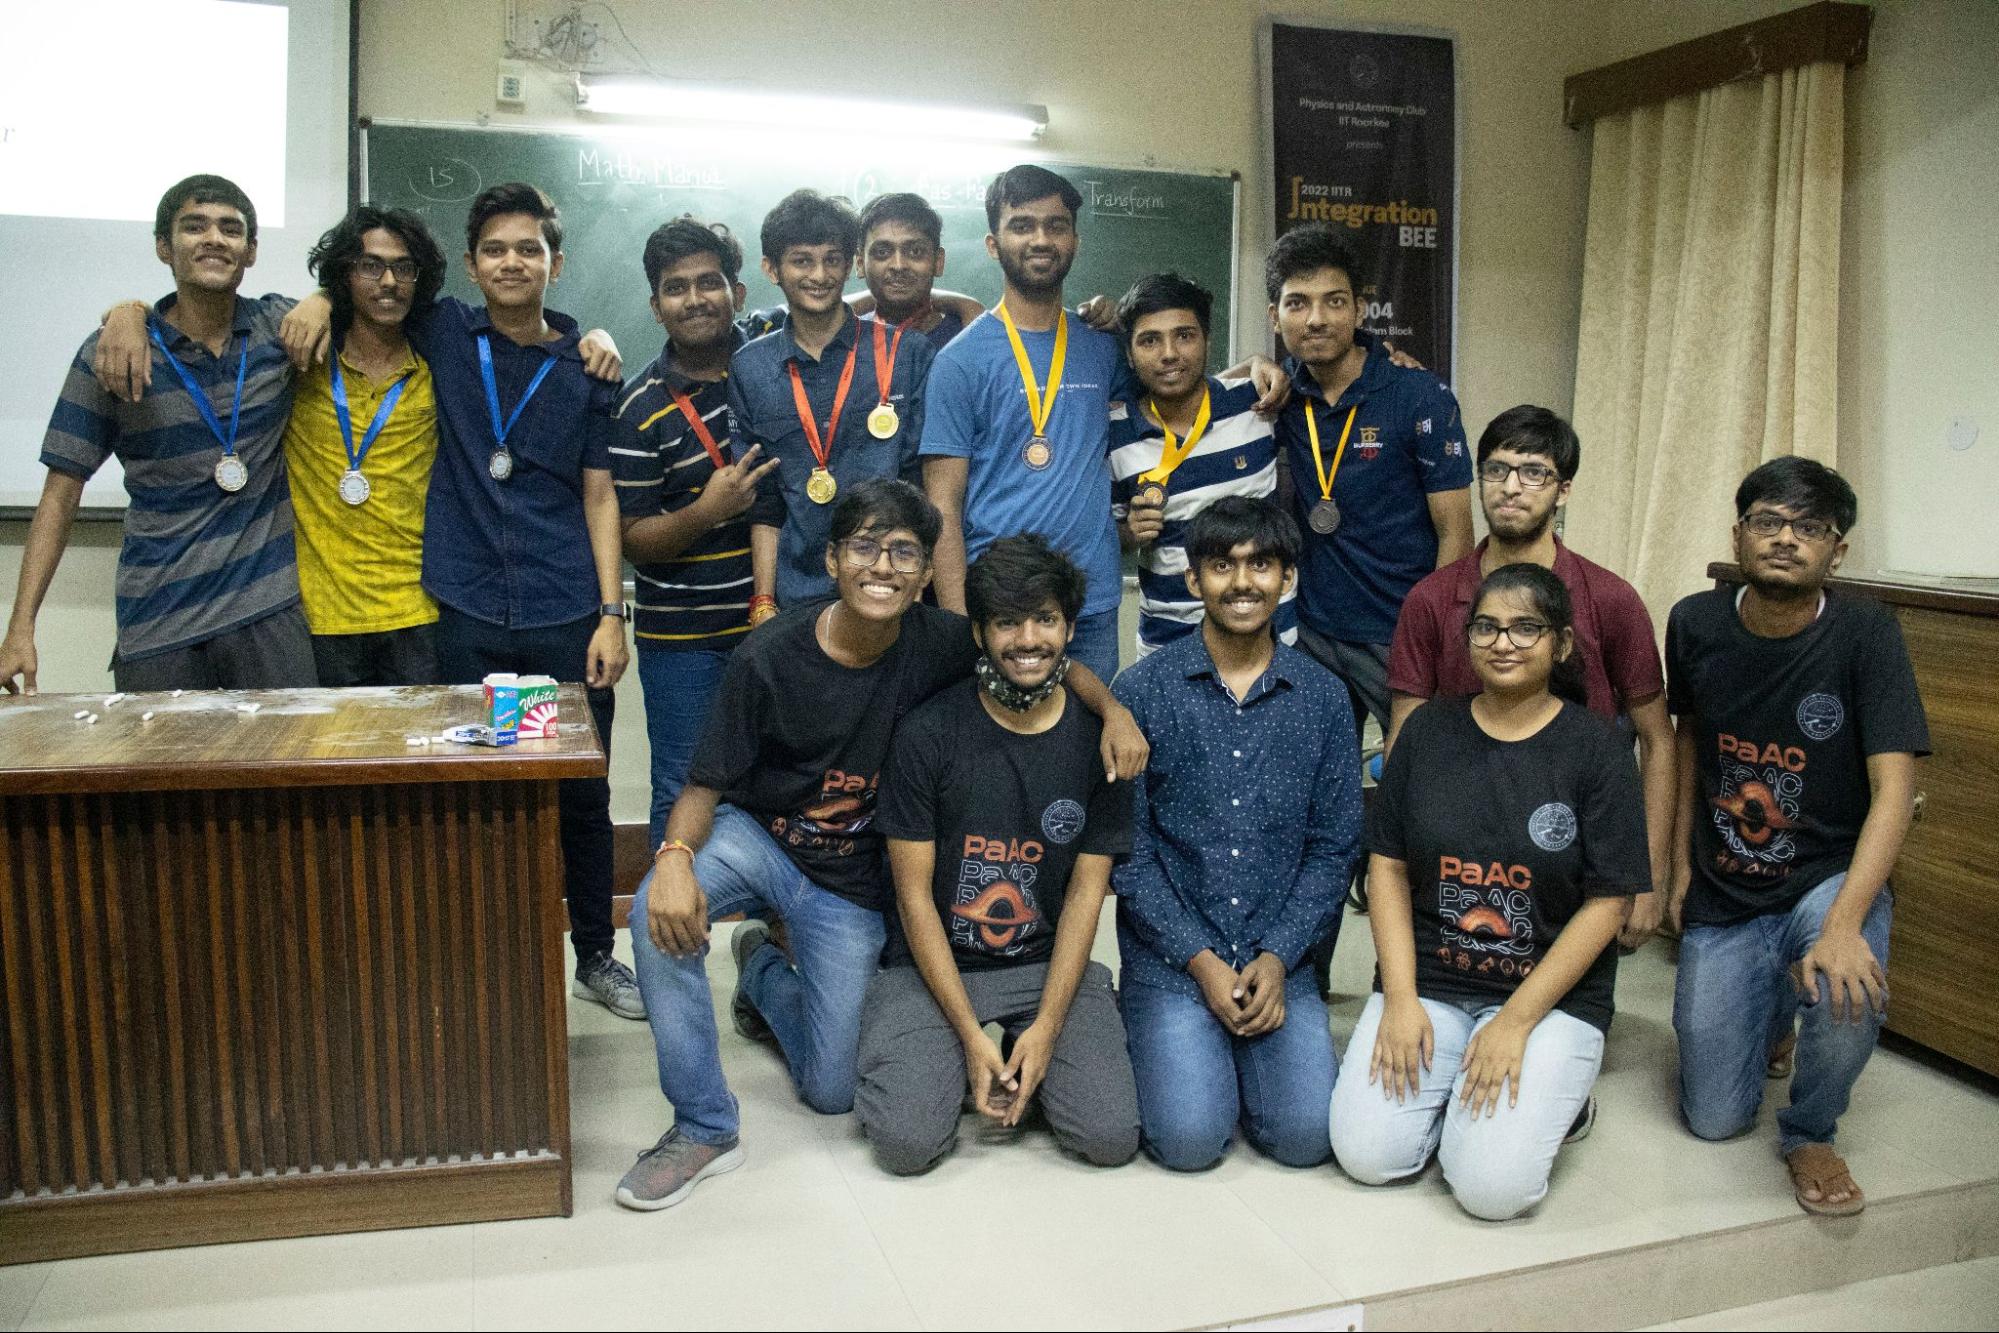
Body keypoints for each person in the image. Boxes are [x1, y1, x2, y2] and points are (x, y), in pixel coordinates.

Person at [617, 479, 1146, 1211]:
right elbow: (704, 785)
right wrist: (674, 859)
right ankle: (703, 1125)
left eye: (904, 552)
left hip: (849, 882)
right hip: (762, 839)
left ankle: (763, 973)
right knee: (653, 910)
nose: (883, 567)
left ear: (926, 573)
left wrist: (1113, 709)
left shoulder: (943, 641)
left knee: (835, 1090)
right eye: (865, 547)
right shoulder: (769, 656)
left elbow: (1040, 652)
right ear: (832, 559)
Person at [277, 182, 639, 1018]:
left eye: (529, 250)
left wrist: (610, 614)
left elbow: (600, 494)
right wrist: (317, 296)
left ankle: (594, 952)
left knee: (578, 794)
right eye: (495, 250)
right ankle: (488, 956)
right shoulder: (442, 331)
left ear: (555, 263)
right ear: (472, 266)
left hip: (562, 614)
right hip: (468, 614)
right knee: (478, 795)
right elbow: (360, 294)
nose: (512, 263)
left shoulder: (586, 366)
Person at [1331, 563, 1648, 1220]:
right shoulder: (1425, 731)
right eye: (1487, 627)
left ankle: (1561, 1099)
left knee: (1490, 1191)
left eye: (1525, 628)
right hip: (1433, 980)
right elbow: (1387, 866)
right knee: (1367, 1155)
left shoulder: (1597, 747)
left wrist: (1515, 1021)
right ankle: (1468, 1094)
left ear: (1561, 643)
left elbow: (1608, 901)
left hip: (1546, 998)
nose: (1503, 642)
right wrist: (1398, 998)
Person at [1666, 458, 1927, 1217]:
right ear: (1737, 535)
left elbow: (1895, 791)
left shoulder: (1866, 634)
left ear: (1835, 551)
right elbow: (1687, 743)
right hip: (1727, 880)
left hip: (1824, 875)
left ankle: (1811, 1128)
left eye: (1807, 527)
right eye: (1768, 521)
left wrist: (1844, 924)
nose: (1785, 538)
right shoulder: (1693, 622)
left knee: (1850, 980)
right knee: (1713, 1118)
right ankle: (1776, 1008)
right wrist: (1678, 868)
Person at [856, 535, 1140, 1175]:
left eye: (1045, 619)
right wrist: (966, 1036)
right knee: (906, 1145)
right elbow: (912, 898)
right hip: (933, 966)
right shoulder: (928, 733)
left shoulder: (1102, 744)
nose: (1028, 640)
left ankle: (1019, 1045)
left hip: (1042, 965)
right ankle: (943, 1046)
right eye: (1008, 623)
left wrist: (1046, 1029)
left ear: (1070, 628)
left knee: (1109, 1137)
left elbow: (1085, 896)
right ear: (979, 634)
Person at [1113, 497, 1359, 1171]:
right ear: (1193, 579)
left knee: (1306, 1138)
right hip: (1173, 961)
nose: (1242, 582)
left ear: (1288, 578)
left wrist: (1277, 957)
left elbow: (1333, 848)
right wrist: (1200, 960)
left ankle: (1238, 1060)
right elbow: (1129, 854)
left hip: (1280, 958)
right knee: (1189, 1141)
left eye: (1261, 565)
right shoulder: (1142, 692)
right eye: (1222, 566)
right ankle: (1172, 1040)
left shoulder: (1323, 698)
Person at [3, 174, 315, 694]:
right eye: (194, 227)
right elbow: (60, 494)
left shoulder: (278, 330)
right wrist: (20, 628)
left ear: (251, 251)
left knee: (289, 750)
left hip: (267, 614)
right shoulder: (111, 352)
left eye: (231, 228)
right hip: (159, 620)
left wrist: (324, 297)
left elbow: (364, 303)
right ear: (163, 247)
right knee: (159, 752)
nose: (214, 239)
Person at [1387, 405, 1671, 947]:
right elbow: (1406, 731)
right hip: (1457, 842)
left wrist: (1649, 876)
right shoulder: (1432, 598)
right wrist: (1393, 862)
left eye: (1533, 472)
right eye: (1496, 470)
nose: (1511, 487)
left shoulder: (1610, 599)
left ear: (1563, 490)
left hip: (1572, 845)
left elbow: (1658, 740)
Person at [1268, 223, 1473, 739]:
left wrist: (1433, 637)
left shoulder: (1420, 396)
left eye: (1334, 301)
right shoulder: (1278, 397)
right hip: (1311, 632)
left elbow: (1456, 533)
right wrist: (1251, 364)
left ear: (1360, 310)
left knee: (1415, 774)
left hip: (1400, 632)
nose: (1316, 319)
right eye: (1297, 304)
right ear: (1275, 316)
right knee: (1309, 778)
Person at [612, 217, 779, 842]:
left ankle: (764, 912)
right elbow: (633, 540)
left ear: (738, 292)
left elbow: (844, 301)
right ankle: (672, 907)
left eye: (709, 282)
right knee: (683, 787)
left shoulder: (775, 350)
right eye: (676, 288)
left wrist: (957, 303)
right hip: (686, 641)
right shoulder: (638, 407)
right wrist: (707, 512)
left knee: (783, 787)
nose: (695, 299)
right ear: (656, 307)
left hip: (784, 625)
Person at [729, 190, 935, 619]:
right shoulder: (750, 367)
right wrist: (764, 601)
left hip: (888, 587)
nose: (819, 275)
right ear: (771, 268)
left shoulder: (906, 354)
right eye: (802, 261)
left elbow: (921, 484)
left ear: (850, 263)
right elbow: (765, 500)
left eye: (832, 259)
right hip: (797, 598)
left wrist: (913, 588)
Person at [283, 206, 449, 686]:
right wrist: (130, 310)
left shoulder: (437, 367)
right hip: (322, 616)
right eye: (370, 266)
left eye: (403, 267)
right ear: (345, 274)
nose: (389, 281)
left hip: (418, 613)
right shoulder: (302, 359)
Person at [1107, 273, 1297, 657]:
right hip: (1169, 646)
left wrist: (1386, 353)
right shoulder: (1113, 434)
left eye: (1184, 335)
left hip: (1269, 643)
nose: (1169, 354)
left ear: (1207, 340)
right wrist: (1129, 532)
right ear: (1129, 354)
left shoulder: (1258, 402)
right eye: (1149, 340)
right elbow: (1107, 537)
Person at [744, 193, 985, 352]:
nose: (898, 265)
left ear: (938, 261)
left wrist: (969, 307)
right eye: (882, 252)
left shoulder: (971, 338)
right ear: (859, 263)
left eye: (915, 251)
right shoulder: (837, 341)